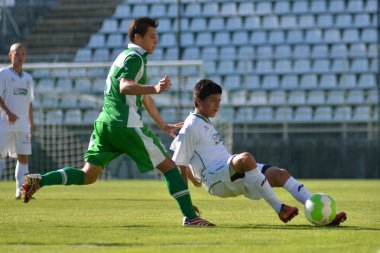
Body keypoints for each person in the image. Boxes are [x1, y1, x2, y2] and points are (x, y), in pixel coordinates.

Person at [21, 18, 214, 227]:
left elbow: (144, 99)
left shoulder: (123, 56)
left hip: (105, 123)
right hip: (125, 125)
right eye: (152, 37)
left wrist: (162, 125)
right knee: (170, 167)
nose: (156, 41)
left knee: (88, 175)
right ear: (137, 38)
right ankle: (191, 217)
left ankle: (38, 180)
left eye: (156, 37)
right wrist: (154, 88)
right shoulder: (135, 58)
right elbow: (125, 86)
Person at [170, 79, 347, 225]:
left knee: (280, 174)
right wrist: (187, 204)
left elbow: (190, 156)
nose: (217, 105)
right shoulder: (191, 125)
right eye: (212, 101)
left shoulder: (204, 121)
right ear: (198, 101)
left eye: (219, 101)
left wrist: (194, 179)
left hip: (226, 170)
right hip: (215, 179)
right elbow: (180, 163)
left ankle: (323, 217)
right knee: (246, 158)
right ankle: (281, 209)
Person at [0, 43, 34, 199]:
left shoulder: (28, 78)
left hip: (23, 126)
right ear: (10, 55)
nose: (20, 57)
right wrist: (8, 113)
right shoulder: (3, 74)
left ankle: (21, 190)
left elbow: (30, 102)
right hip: (4, 123)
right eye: (16, 54)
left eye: (22, 54)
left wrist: (31, 123)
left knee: (23, 157)